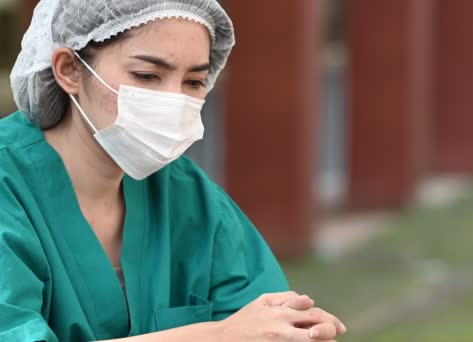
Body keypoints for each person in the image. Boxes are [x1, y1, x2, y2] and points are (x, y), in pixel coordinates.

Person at [0, 0, 346, 341]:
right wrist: (218, 334)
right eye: (148, 75)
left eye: (194, 82)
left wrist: (295, 331)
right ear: (69, 70)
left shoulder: (187, 194)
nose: (173, 99)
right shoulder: (9, 184)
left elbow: (257, 312)